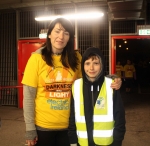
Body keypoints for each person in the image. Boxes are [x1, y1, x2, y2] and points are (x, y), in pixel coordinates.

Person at [22, 18, 122, 146]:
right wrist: (30, 129)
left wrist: (112, 79)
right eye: (57, 31)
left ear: (70, 38)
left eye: (66, 33)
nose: (61, 36)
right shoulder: (36, 58)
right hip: (43, 127)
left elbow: (91, 78)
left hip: (70, 127)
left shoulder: (76, 58)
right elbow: (29, 96)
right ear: (49, 34)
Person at [68, 47, 126, 146]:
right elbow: (72, 117)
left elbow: (120, 117)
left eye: (96, 63)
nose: (91, 68)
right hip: (83, 143)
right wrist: (73, 141)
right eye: (87, 63)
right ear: (83, 66)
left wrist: (117, 141)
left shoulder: (111, 85)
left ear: (102, 65)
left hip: (107, 143)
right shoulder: (76, 86)